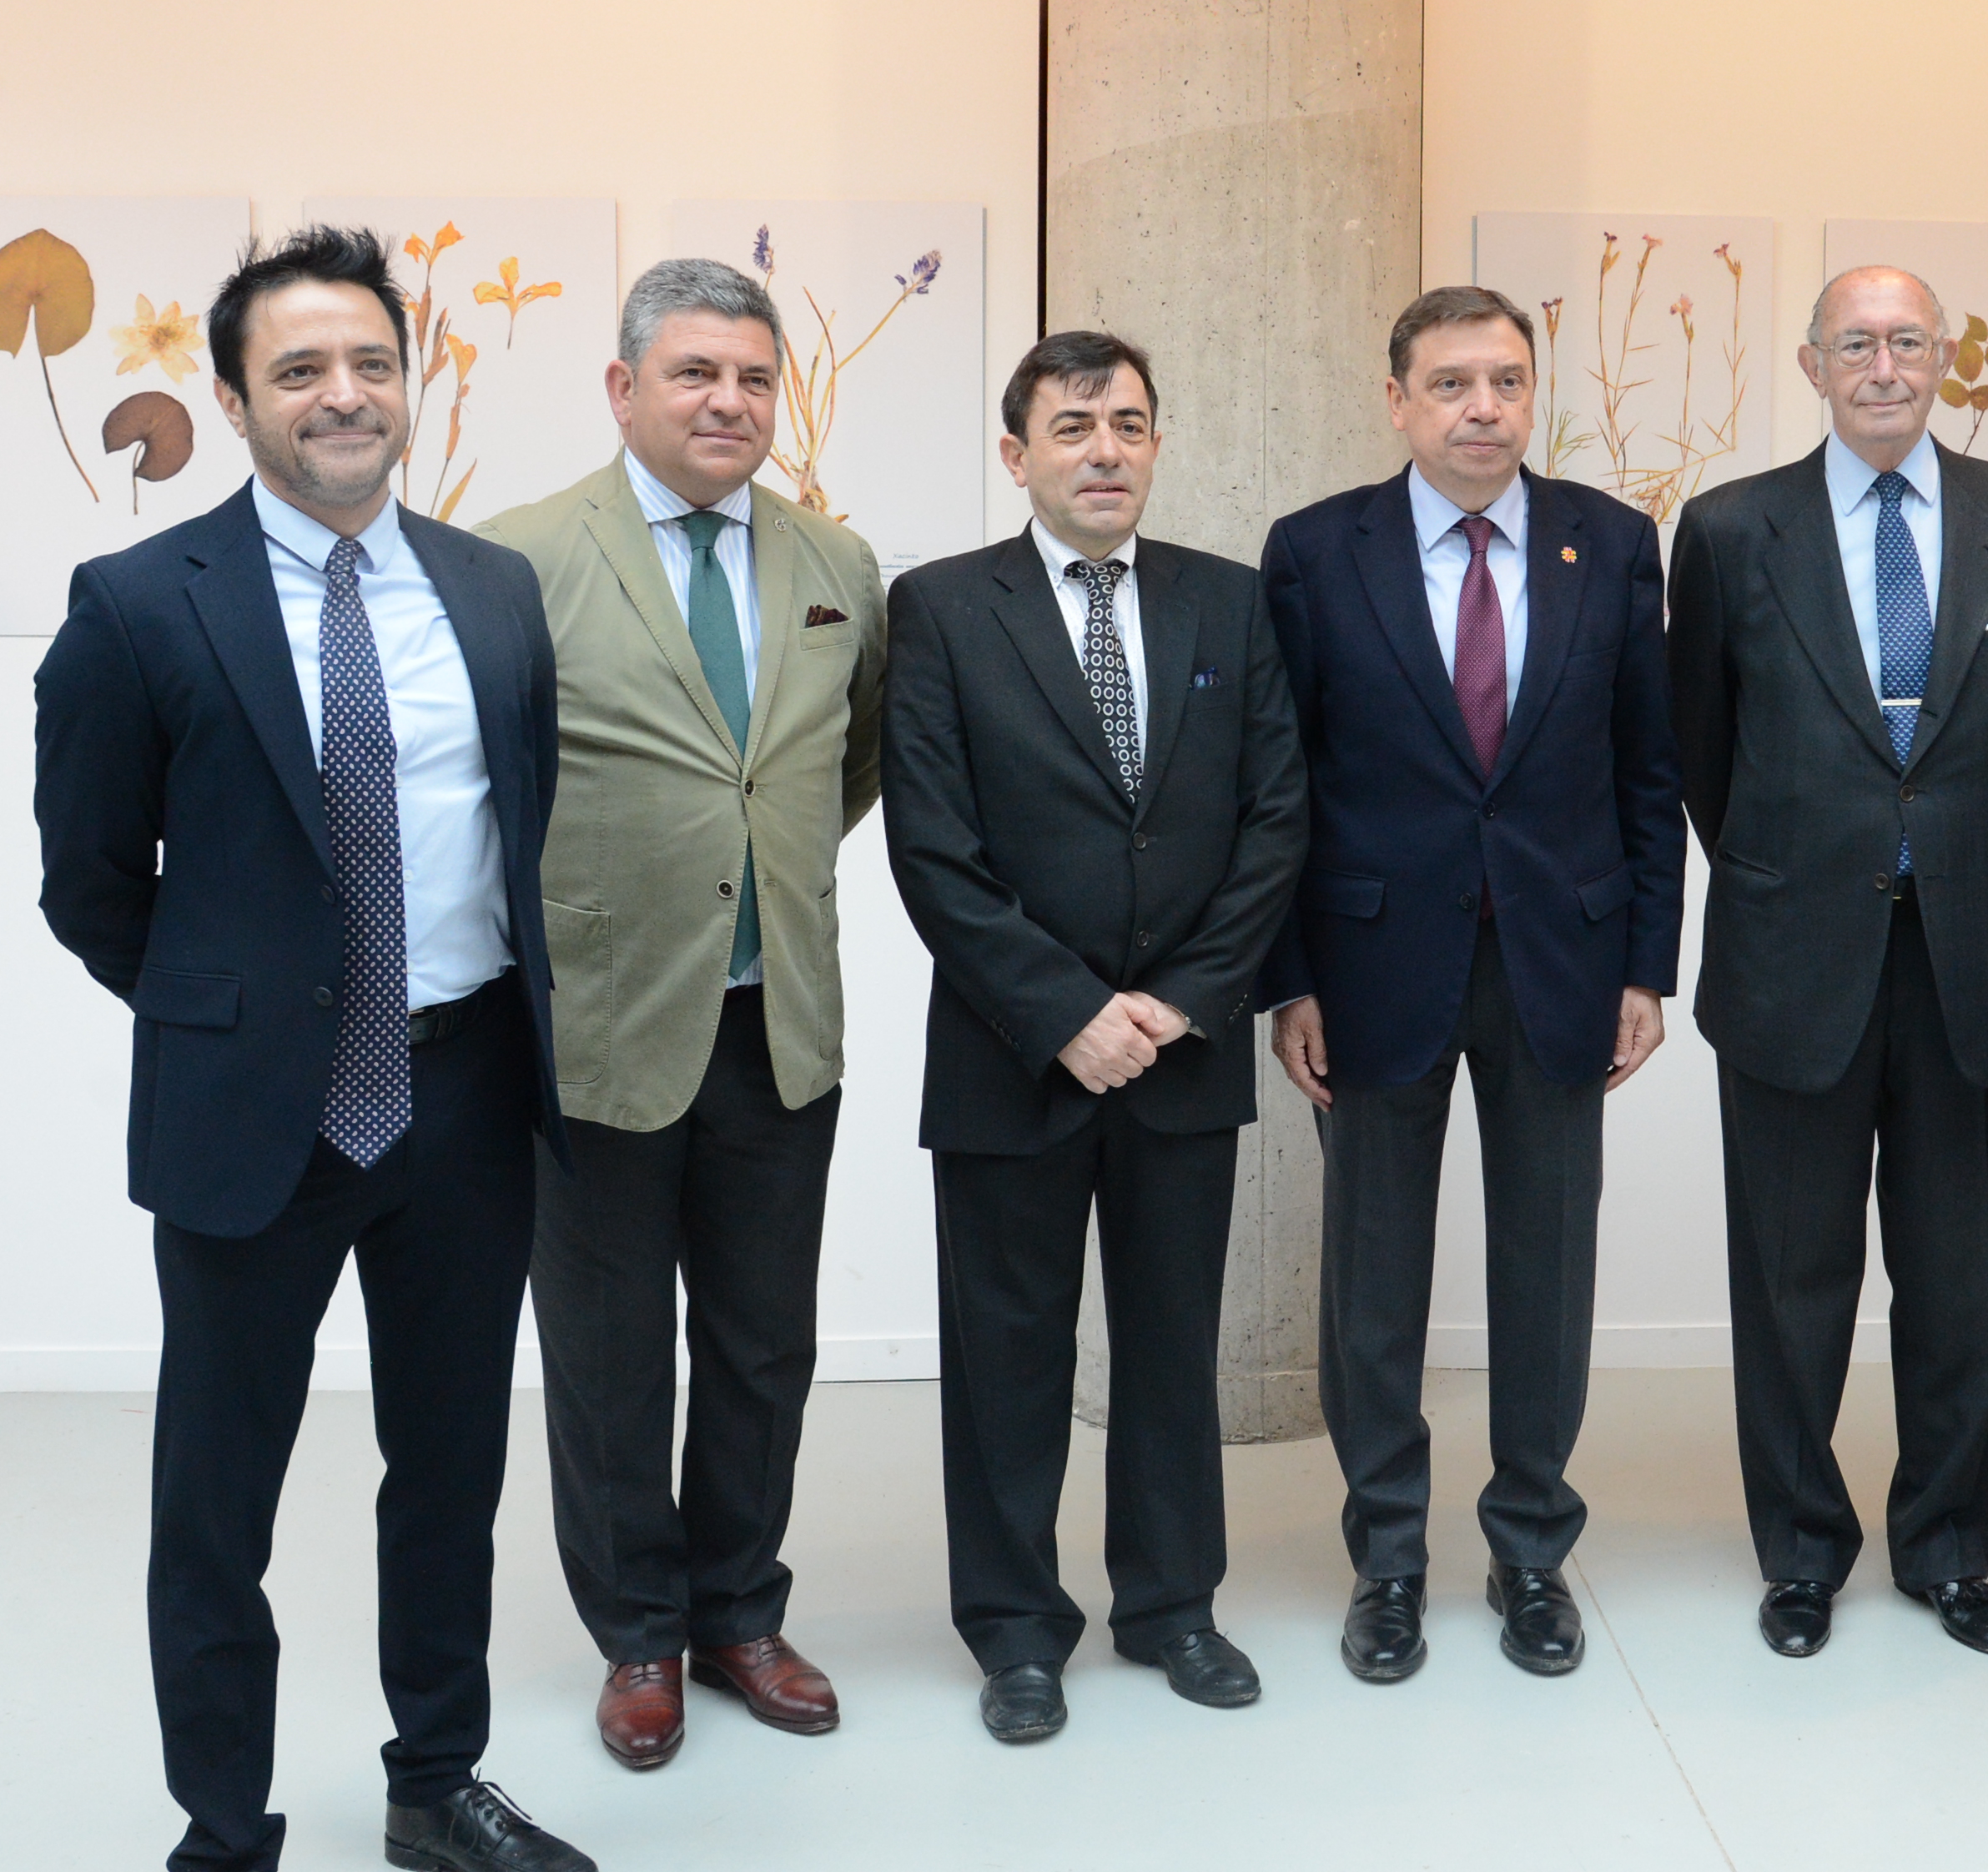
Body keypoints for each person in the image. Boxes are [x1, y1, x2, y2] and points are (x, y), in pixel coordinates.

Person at [33, 226, 594, 1872]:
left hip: (467, 1092)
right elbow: (89, 883)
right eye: (298, 369)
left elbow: (520, 824)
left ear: (408, 383)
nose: (342, 394)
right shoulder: (141, 604)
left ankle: (438, 1783)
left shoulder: (490, 591)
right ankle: (223, 1824)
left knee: (450, 1471)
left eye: (369, 362)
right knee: (217, 1500)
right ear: (234, 399)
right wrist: (240, 1019)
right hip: (251, 1113)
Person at [474, 259, 888, 1770]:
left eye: (755, 378)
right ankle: (640, 1633)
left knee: (766, 1344)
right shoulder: (518, 559)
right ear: (623, 387)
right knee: (608, 1353)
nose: (730, 402)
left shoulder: (837, 560)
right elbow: (481, 787)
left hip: (779, 1017)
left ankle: (739, 1615)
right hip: (597, 1021)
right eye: (696, 373)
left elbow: (841, 767)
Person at [879, 330, 1308, 1744]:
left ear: (1157, 443)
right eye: (1073, 428)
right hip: (1012, 1054)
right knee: (1008, 1356)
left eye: (1128, 423)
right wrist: (1066, 1014)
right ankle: (1014, 1629)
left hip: (1183, 1051)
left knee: (1173, 1347)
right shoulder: (942, 608)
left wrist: (1181, 1002)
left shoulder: (1228, 602)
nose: (1105, 450)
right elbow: (933, 845)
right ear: (1018, 456)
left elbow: (1275, 821)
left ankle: (1174, 1605)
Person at [1259, 285, 1688, 1685]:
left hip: (1564, 959)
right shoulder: (1316, 551)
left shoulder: (1610, 544)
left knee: (1547, 1271)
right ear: (1397, 402)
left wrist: (1647, 966)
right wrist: (1289, 979)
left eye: (1505, 380)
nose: (1482, 408)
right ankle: (1387, 1556)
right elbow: (1281, 783)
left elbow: (1649, 771)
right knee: (1373, 1282)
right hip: (1370, 965)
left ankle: (1531, 1549)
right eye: (1450, 384)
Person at [1667, 264, 1988, 1660]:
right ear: (1813, 364)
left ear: (1944, 356)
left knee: (1959, 1284)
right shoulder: (1731, 529)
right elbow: (1702, 750)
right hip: (1794, 955)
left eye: (1908, 341)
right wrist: (1803, 864)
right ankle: (1800, 1551)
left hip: (1971, 955)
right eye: (1856, 343)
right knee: (1792, 1285)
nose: (1884, 366)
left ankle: (1950, 1549)